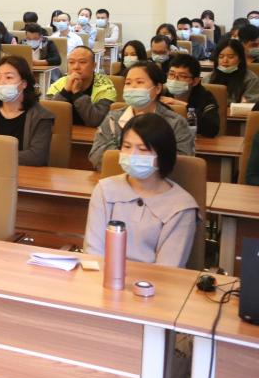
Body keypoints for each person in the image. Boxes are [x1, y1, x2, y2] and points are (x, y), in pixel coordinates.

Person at [84, 113, 198, 267]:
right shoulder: (104, 190)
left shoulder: (181, 206)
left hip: (154, 281)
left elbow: (168, 269)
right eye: (127, 146)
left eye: (143, 149)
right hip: (105, 277)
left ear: (163, 154)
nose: (132, 155)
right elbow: (93, 253)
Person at [89, 62, 194, 169]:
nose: (133, 87)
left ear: (157, 88)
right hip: (117, 176)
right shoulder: (113, 118)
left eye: (139, 82)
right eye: (128, 83)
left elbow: (183, 163)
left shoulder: (175, 122)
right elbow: (96, 156)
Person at [0, 56, 54, 164]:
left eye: (9, 77)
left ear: (24, 83)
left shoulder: (41, 116)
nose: (2, 82)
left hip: (27, 172)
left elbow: (37, 156)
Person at [46, 45, 117, 127]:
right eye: (71, 62)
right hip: (62, 131)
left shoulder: (106, 87)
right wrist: (65, 92)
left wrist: (77, 94)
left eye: (82, 62)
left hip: (91, 133)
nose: (76, 67)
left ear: (94, 66)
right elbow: (48, 116)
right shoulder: (58, 84)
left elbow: (96, 121)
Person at [162, 54, 220, 138]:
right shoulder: (161, 94)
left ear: (195, 81)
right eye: (171, 74)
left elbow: (212, 129)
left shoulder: (205, 97)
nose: (174, 80)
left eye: (182, 76)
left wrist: (185, 107)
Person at [204, 38, 259, 103]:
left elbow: (250, 103)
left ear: (240, 59)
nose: (225, 61)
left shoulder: (251, 79)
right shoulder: (209, 78)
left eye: (230, 57)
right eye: (221, 57)